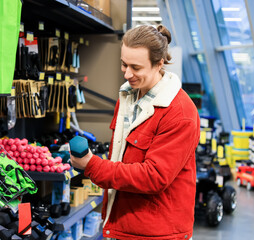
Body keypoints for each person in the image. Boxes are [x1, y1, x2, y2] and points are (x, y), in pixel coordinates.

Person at [70, 25, 200, 240]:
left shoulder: (180, 113)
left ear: (159, 64)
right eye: (123, 64)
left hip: (157, 232)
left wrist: (93, 166)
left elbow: (154, 177)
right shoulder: (129, 96)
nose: (127, 73)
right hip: (125, 222)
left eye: (136, 67)